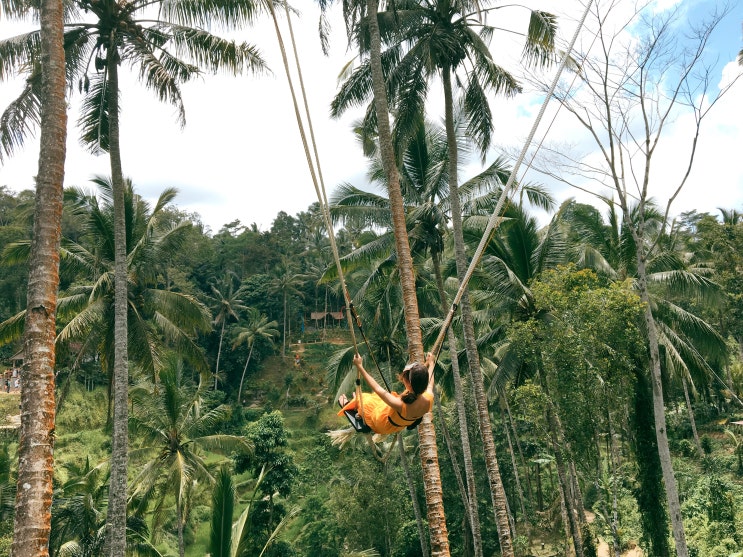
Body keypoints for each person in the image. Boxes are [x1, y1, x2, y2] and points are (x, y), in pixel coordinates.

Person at [337, 352, 436, 435]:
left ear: (409, 385)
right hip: (397, 426)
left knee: (366, 400)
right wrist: (431, 363)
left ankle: (350, 404)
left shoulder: (400, 404)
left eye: (404, 379)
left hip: (382, 424)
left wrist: (360, 366)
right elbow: (430, 380)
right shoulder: (429, 398)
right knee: (375, 398)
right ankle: (358, 402)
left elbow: (377, 388)